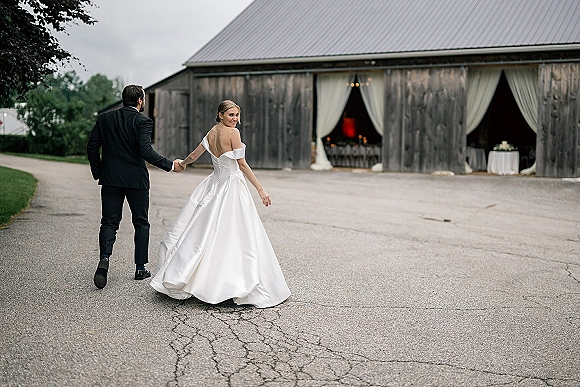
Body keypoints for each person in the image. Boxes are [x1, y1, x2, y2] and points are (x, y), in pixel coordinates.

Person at [150, 100, 291, 308]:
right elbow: (241, 164)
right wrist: (260, 189)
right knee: (236, 233)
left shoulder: (211, 133)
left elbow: (193, 156)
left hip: (214, 185)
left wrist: (182, 163)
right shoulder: (233, 134)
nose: (235, 119)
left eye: (236, 115)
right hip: (232, 185)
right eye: (231, 115)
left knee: (207, 232)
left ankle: (202, 278)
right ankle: (229, 283)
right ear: (220, 114)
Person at [87, 84, 184, 289]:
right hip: (136, 181)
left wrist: (99, 172)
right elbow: (145, 151)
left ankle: (104, 258)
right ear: (140, 101)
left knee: (109, 222)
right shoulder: (143, 121)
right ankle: (140, 268)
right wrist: (170, 165)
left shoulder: (105, 119)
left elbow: (92, 146)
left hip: (111, 179)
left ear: (124, 99)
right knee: (141, 222)